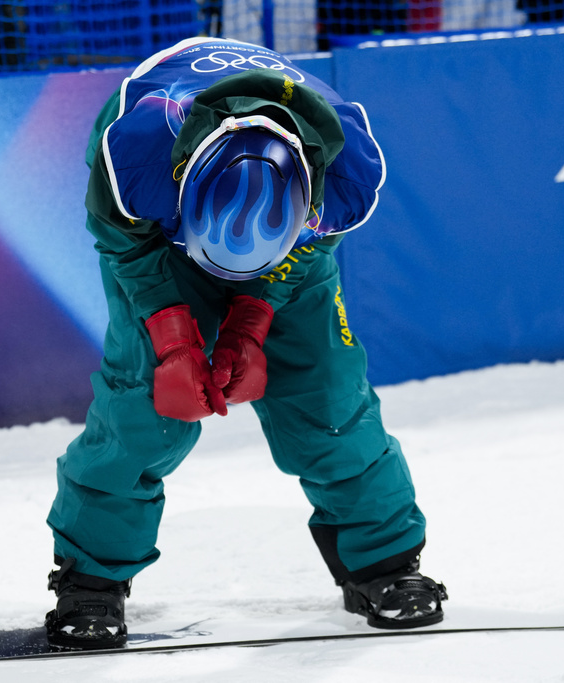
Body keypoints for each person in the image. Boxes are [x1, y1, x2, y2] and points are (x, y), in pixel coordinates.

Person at [45, 36, 446, 650]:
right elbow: (124, 240)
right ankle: (90, 585)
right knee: (143, 412)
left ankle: (385, 567)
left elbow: (314, 246)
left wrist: (251, 323)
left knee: (330, 401)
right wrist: (176, 340)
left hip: (292, 262)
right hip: (162, 255)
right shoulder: (137, 151)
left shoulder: (342, 171)